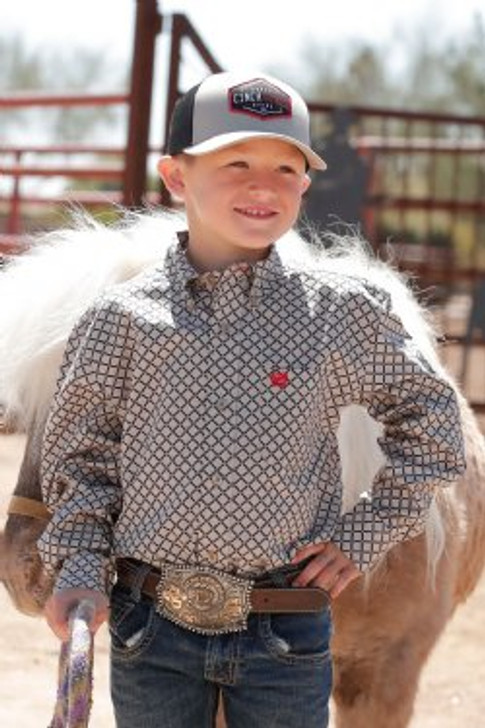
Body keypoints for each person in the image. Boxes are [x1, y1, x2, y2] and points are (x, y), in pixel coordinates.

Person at [38, 71, 465, 728]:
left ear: (303, 184)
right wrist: (78, 565)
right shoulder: (118, 321)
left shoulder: (339, 316)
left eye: (284, 167)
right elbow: (82, 455)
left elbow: (433, 425)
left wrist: (361, 534)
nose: (261, 184)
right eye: (234, 161)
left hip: (283, 631)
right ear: (176, 177)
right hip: (148, 627)